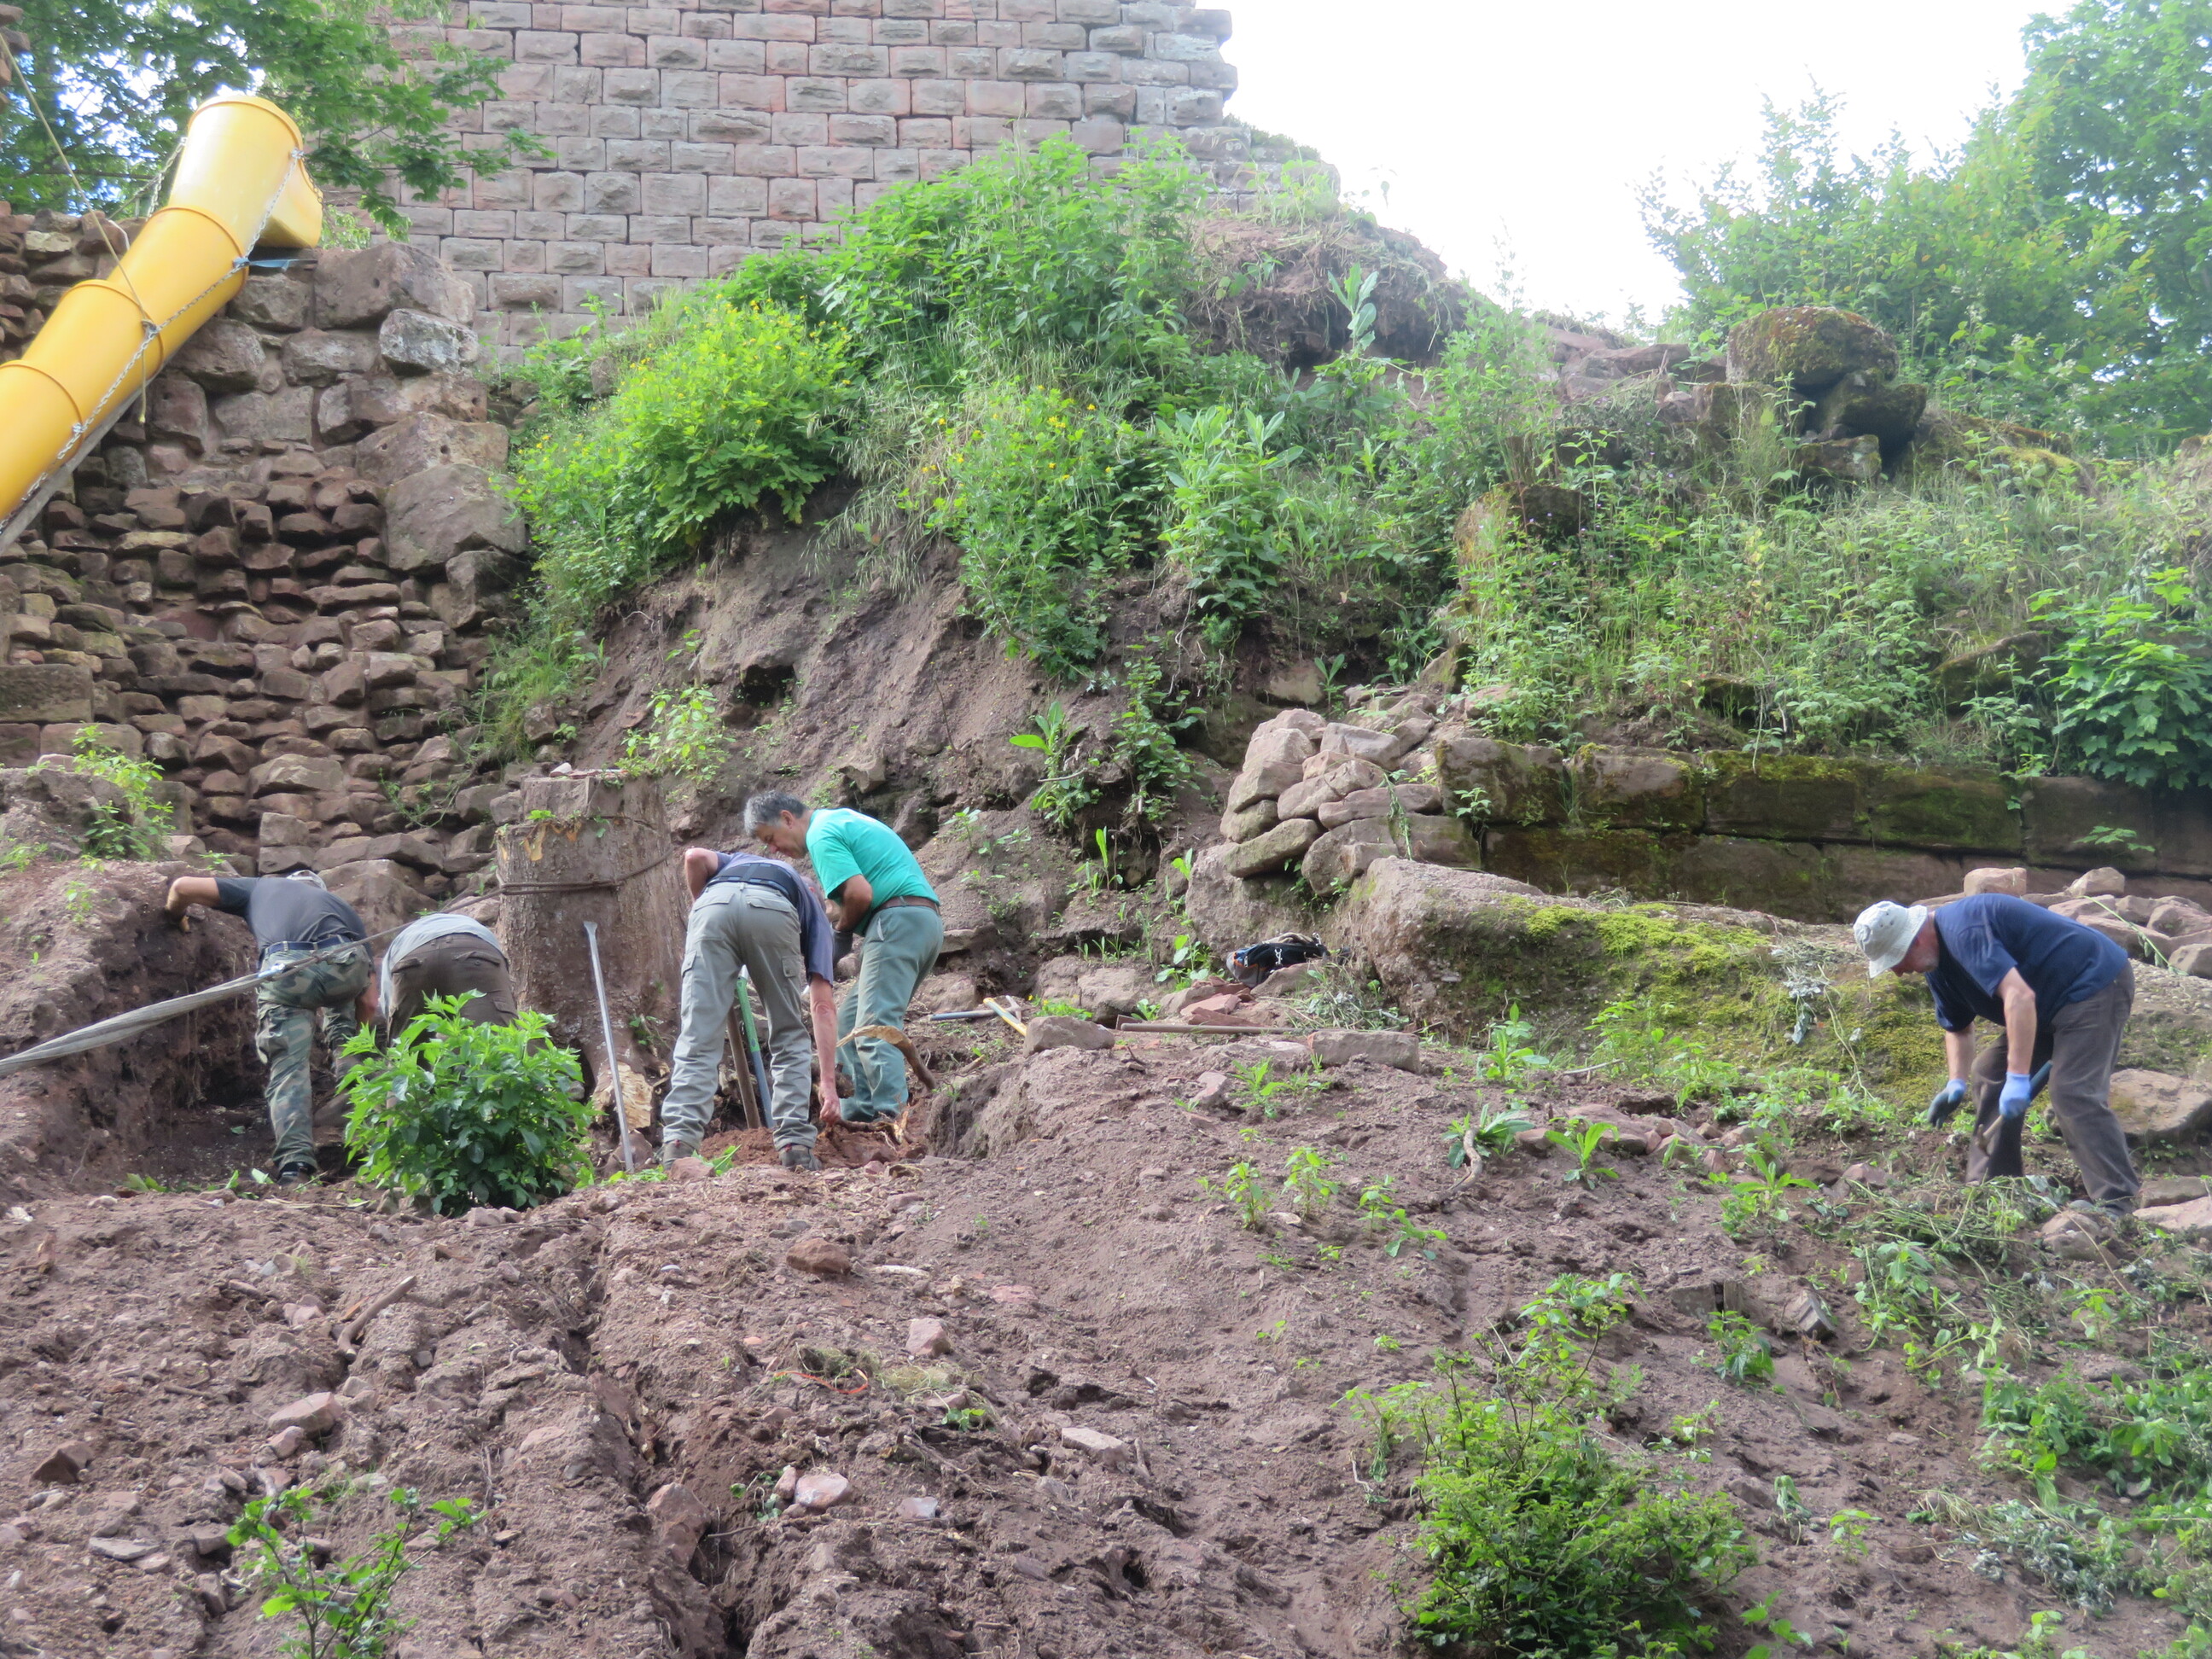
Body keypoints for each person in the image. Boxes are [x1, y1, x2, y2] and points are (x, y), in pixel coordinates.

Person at [1855, 893, 2139, 1214]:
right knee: (1990, 1073)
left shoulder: (1965, 931)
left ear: (1916, 938)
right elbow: (1958, 1027)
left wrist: (2018, 1078)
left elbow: (2019, 996)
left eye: (1895, 959)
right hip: (2044, 1005)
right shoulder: (1937, 967)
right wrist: (1955, 1083)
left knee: (2072, 1092)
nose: (1896, 972)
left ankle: (2116, 1202)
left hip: (2093, 984)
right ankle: (1993, 1187)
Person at [163, 867, 373, 1185]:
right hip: (344, 964)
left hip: (289, 971)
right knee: (344, 1008)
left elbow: (182, 887)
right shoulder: (340, 907)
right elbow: (369, 1003)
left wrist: (174, 915)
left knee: (289, 1069)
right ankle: (354, 1096)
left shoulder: (260, 888)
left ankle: (295, 1167)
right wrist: (357, 1040)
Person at [745, 791, 940, 1126]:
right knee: (850, 1024)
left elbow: (859, 894)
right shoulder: (837, 821)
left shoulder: (820, 835)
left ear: (787, 818)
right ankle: (865, 1108)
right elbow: (844, 901)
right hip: (918, 922)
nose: (773, 849)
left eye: (770, 839)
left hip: (897, 921)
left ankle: (892, 1119)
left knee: (874, 1028)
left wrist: (842, 933)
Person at [661, 843, 842, 1173]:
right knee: (788, 1034)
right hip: (773, 912)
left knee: (698, 1035)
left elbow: (694, 857)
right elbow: (822, 1006)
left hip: (711, 908)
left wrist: (707, 914)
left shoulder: (737, 861)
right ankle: (794, 1146)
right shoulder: (812, 907)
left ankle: (678, 1145)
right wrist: (828, 1084)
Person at [370, 911, 515, 1033]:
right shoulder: (475, 927)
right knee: (494, 1045)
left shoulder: (399, 942)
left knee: (409, 1052)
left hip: (410, 954)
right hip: (474, 946)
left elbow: (390, 1003)